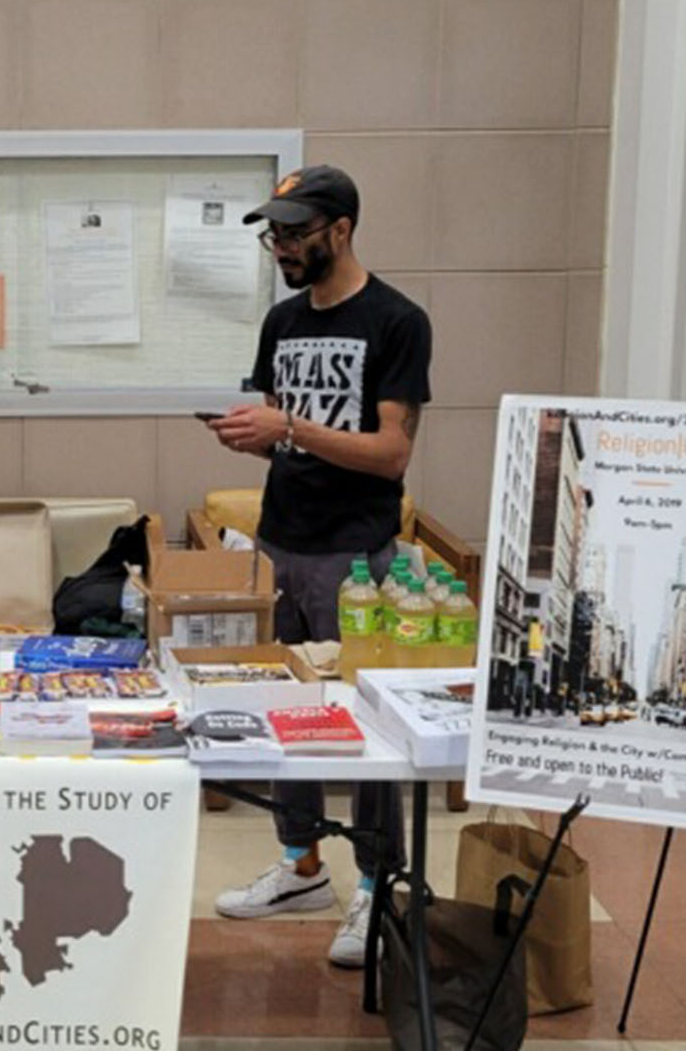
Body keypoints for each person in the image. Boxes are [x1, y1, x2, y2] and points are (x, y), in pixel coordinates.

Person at [205, 165, 432, 969]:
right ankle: (301, 864)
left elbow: (390, 452)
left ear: (341, 230)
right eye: (275, 235)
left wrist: (289, 426)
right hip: (280, 540)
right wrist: (249, 432)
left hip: (355, 553)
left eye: (296, 235)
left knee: (365, 731)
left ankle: (375, 883)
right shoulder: (281, 320)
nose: (282, 249)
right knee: (283, 713)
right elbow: (276, 426)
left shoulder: (398, 321)